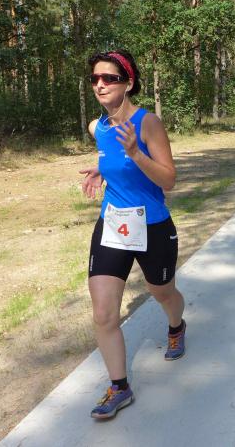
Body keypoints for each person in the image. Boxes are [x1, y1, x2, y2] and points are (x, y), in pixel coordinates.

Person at [79, 50, 186, 419]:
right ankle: (119, 386)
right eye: (95, 79)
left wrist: (137, 154)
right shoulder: (98, 127)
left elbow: (169, 180)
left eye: (108, 78)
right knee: (103, 312)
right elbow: (110, 156)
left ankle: (176, 325)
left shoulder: (148, 123)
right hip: (113, 224)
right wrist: (102, 170)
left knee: (163, 292)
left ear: (127, 83)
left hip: (152, 224)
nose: (100, 85)